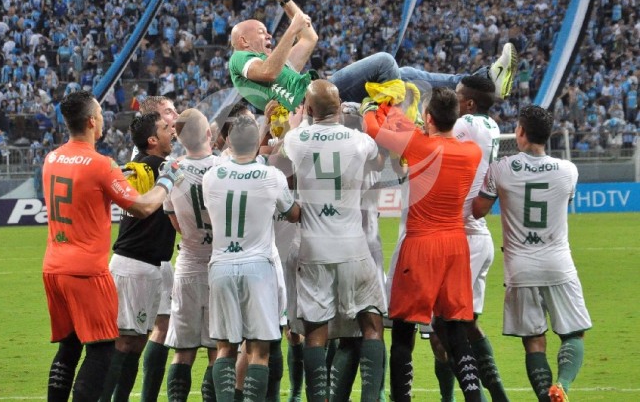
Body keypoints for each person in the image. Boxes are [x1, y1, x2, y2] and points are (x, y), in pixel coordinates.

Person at [42, 90, 182, 402]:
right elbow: (143, 207)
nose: (104, 120)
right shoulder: (100, 164)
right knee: (103, 350)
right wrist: (167, 179)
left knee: (68, 349)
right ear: (92, 121)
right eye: (101, 115)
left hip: (53, 266)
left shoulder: (51, 158)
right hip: (86, 271)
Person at [229, 0, 517, 113]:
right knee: (384, 62)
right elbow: (267, 70)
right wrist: (290, 27)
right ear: (243, 40)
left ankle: (485, 80)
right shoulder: (240, 59)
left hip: (320, 95)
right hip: (311, 101)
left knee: (403, 73)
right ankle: (396, 120)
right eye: (262, 32)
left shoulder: (281, 68)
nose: (268, 36)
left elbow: (309, 36)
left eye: (268, 32)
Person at [362, 87, 483, 402]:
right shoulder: (472, 152)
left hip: (420, 245)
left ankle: (403, 398)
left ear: (428, 118)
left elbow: (375, 127)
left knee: (403, 330)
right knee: (456, 330)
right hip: (455, 246)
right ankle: (473, 396)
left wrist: (374, 105)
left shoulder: (417, 144)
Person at [473, 105, 592, 402]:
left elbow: (478, 210)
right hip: (558, 263)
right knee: (573, 334)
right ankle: (561, 386)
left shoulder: (500, 168)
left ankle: (544, 396)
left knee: (534, 342)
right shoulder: (569, 170)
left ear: (520, 132)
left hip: (519, 267)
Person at [282, 79, 387, 402]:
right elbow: (379, 160)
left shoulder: (296, 139)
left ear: (309, 110)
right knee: (371, 324)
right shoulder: (359, 141)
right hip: (354, 247)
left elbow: (286, 171)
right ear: (340, 107)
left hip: (314, 250)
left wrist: (292, 123)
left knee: (316, 332)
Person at [202, 115, 301, 402]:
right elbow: (293, 213)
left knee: (224, 348)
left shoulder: (211, 176)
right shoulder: (271, 176)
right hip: (258, 266)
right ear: (257, 144)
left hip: (220, 265)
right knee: (259, 350)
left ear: (229, 143)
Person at [426, 75, 509, 401]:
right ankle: (498, 396)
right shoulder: (488, 126)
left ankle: (472, 397)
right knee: (466, 327)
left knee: (444, 329)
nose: (453, 100)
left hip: (462, 239)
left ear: (470, 104)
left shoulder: (469, 124)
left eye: (458, 97)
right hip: (476, 238)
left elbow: (434, 132)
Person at [99, 111, 177, 402]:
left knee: (136, 343)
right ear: (152, 140)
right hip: (132, 267)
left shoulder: (141, 167)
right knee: (124, 343)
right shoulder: (155, 167)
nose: (173, 131)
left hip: (147, 268)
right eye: (167, 128)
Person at [163, 108, 218, 401]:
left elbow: (175, 222)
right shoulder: (224, 167)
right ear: (209, 133)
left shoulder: (170, 170)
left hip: (188, 262)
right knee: (216, 349)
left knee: (183, 350)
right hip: (218, 262)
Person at [133, 95, 180, 401]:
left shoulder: (150, 156)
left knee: (161, 327)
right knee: (133, 338)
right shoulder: (150, 163)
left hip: (158, 256)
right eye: (167, 114)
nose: (173, 118)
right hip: (143, 257)